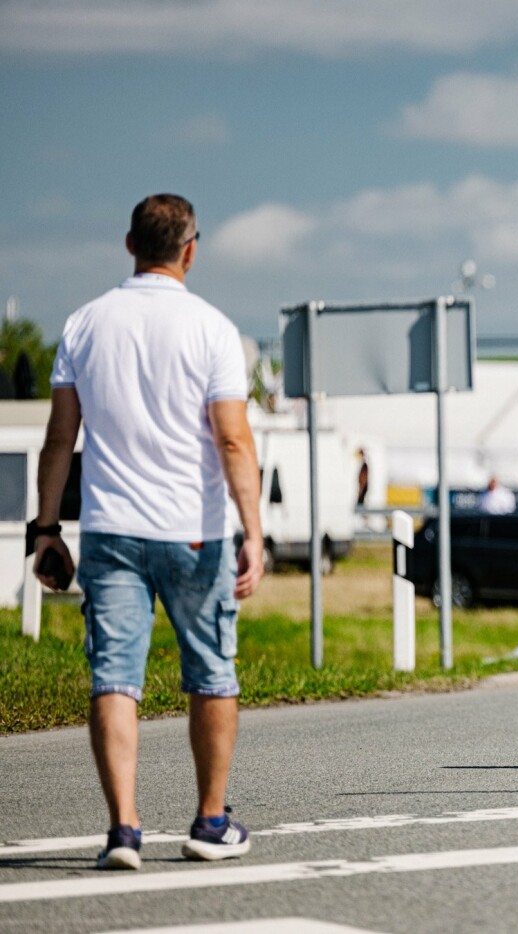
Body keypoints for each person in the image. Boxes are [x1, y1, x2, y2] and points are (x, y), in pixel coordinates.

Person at [34, 193, 265, 870]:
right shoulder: (213, 329)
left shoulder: (83, 325)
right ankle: (211, 821)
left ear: (129, 244)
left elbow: (58, 439)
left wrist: (45, 529)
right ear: (191, 249)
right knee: (211, 673)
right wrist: (255, 531)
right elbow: (232, 441)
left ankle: (124, 831)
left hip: (110, 530)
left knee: (114, 677)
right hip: (196, 532)